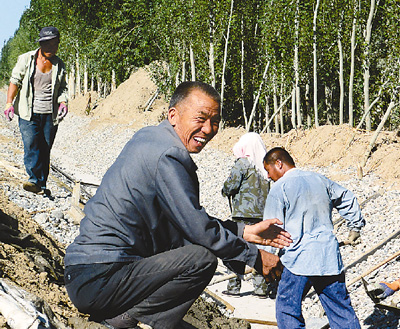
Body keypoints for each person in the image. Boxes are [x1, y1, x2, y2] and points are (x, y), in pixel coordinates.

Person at [64, 81, 292, 329]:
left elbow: (186, 223)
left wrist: (244, 231)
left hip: (86, 275)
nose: (208, 129)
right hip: (101, 278)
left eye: (215, 122)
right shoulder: (169, 155)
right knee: (201, 259)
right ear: (173, 115)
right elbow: (198, 231)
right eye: (201, 119)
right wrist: (255, 257)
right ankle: (128, 321)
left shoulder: (150, 138)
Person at [262, 147, 365, 329]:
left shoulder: (280, 188)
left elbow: (271, 228)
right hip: (328, 257)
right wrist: (355, 227)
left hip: (298, 260)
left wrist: (268, 259)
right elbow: (347, 198)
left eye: (268, 170)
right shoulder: (320, 179)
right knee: (340, 309)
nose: (268, 176)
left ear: (278, 163)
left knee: (287, 309)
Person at [4, 26, 68, 195]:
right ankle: (33, 179)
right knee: (32, 144)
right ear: (41, 44)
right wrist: (9, 103)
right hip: (28, 112)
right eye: (49, 45)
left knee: (45, 147)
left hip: (49, 114)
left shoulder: (59, 64)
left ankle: (42, 183)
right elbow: (15, 81)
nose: (52, 49)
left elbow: (63, 88)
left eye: (55, 45)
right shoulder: (26, 59)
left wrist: (63, 102)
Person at [221, 132, 275, 298]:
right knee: (259, 250)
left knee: (236, 249)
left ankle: (233, 286)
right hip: (261, 215)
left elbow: (230, 185)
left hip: (242, 215)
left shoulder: (243, 163)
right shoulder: (265, 166)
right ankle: (261, 289)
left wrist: (224, 191)